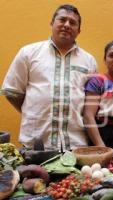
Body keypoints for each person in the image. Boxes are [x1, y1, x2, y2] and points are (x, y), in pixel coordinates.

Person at [0, 4, 97, 151]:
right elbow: (13, 92)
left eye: (72, 22)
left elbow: (91, 102)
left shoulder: (89, 61)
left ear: (79, 30)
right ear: (52, 23)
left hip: (77, 145)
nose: (66, 25)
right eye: (62, 20)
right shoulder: (28, 53)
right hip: (36, 143)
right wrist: (33, 110)